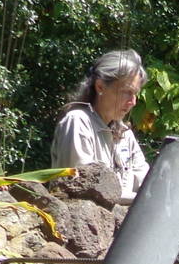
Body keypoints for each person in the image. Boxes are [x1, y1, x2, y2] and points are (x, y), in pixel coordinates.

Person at [51, 50, 150, 203]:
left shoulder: (125, 135)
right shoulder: (78, 122)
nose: (133, 101)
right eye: (127, 92)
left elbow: (148, 185)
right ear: (100, 87)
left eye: (135, 93)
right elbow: (82, 189)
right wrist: (142, 199)